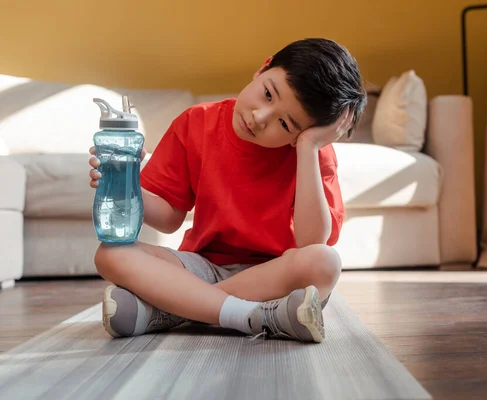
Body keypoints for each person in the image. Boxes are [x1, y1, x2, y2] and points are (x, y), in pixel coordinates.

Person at [88, 38, 366, 343]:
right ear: (263, 68)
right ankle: (255, 316)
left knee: (324, 262)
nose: (260, 118)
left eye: (285, 124)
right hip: (203, 266)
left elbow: (312, 242)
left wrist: (309, 147)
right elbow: (168, 218)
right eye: (268, 94)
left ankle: (171, 310)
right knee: (111, 254)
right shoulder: (196, 122)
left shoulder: (312, 154)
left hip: (275, 276)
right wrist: (127, 185)